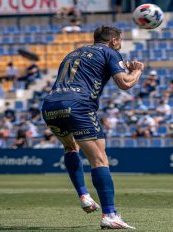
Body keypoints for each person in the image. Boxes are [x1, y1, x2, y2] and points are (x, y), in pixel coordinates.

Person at [42, 25, 144, 229]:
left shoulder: (75, 52)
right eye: (119, 40)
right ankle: (110, 215)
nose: (120, 43)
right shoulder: (110, 52)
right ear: (114, 41)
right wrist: (137, 71)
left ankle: (84, 195)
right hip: (78, 105)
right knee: (99, 159)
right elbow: (124, 83)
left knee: (71, 148)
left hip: (50, 105)